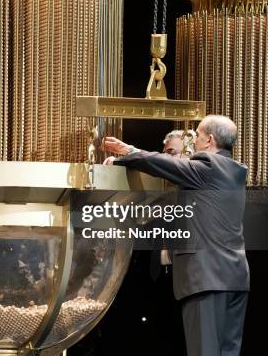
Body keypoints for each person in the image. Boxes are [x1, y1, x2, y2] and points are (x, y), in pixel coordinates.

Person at [103, 115, 250, 356]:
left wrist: (128, 151)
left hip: (207, 278)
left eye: (197, 137)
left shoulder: (210, 167)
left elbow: (166, 164)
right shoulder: (233, 170)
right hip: (235, 278)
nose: (194, 145)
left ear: (209, 140)